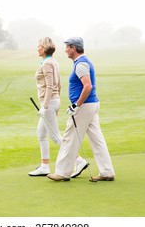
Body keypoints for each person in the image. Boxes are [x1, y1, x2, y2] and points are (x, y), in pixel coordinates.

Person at [47, 37, 115, 182]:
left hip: (84, 106)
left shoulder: (81, 64)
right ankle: (107, 171)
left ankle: (62, 173)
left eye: (67, 47)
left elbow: (88, 86)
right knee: (97, 139)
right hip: (91, 105)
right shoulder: (82, 62)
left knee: (69, 138)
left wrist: (76, 105)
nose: (65, 49)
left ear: (73, 48)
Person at [29, 37, 89, 177]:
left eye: (39, 46)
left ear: (43, 48)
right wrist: (55, 104)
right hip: (52, 102)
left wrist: (45, 106)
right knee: (41, 134)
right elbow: (59, 84)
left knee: (55, 136)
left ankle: (79, 160)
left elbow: (51, 85)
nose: (37, 48)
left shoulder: (47, 64)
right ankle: (44, 166)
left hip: (48, 103)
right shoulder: (53, 62)